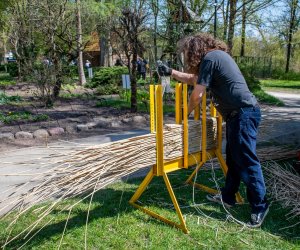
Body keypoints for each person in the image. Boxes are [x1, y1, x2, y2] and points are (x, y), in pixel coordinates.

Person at [157, 33, 269, 228]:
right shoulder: (215, 57)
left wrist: (183, 115)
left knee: (246, 161)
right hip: (240, 114)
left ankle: (260, 205)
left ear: (195, 49)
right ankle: (228, 197)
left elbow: (197, 95)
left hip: (243, 113)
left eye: (187, 53)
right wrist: (171, 72)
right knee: (233, 159)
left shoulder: (210, 57)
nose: (188, 57)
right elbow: (195, 79)